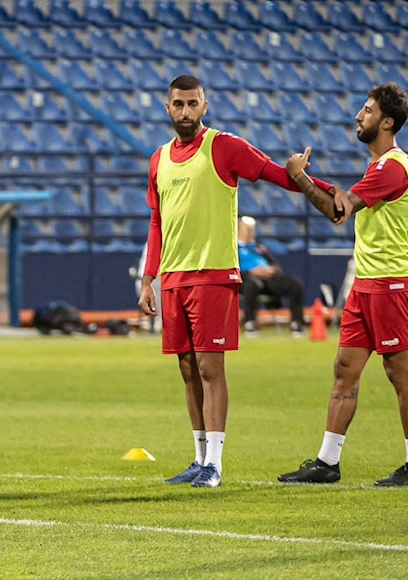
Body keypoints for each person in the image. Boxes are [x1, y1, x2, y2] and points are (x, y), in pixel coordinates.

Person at [137, 75, 335, 488]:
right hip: (173, 278)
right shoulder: (158, 159)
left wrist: (322, 188)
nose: (186, 112)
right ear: (167, 108)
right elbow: (157, 223)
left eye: (193, 104)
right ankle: (197, 457)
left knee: (211, 368)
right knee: (188, 369)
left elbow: (274, 173)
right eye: (179, 104)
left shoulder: (223, 146)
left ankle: (215, 464)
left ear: (204, 107)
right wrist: (148, 279)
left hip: (212, 275)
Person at [278, 83, 408, 486]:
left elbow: (338, 210)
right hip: (366, 283)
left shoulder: (393, 167)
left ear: (386, 122)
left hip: (391, 284)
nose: (358, 116)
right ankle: (328, 462)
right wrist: (307, 180)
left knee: (400, 372)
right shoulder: (379, 167)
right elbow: (344, 200)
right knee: (345, 369)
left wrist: (300, 180)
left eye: (366, 110)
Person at [237, 215, 305, 336]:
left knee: (295, 285)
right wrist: (253, 272)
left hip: (267, 279)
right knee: (252, 285)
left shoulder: (259, 248)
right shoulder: (235, 248)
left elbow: (276, 266)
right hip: (246, 278)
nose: (250, 231)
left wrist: (271, 270)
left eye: (252, 228)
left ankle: (296, 323)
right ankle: (250, 322)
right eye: (247, 228)